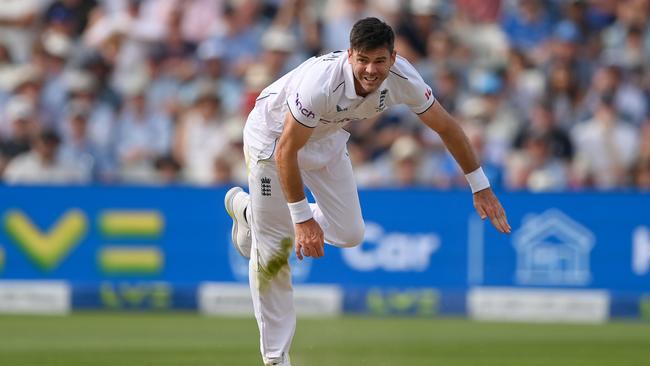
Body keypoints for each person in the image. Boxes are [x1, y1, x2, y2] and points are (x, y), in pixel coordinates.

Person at [224, 17, 511, 366]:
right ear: (350, 55)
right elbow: (287, 151)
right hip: (273, 139)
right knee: (274, 250)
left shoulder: (404, 79)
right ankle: (275, 358)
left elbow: (447, 128)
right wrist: (300, 220)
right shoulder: (320, 84)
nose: (370, 70)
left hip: (326, 138)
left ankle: (253, 212)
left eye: (379, 60)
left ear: (393, 57)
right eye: (362, 59)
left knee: (350, 233)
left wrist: (480, 186)